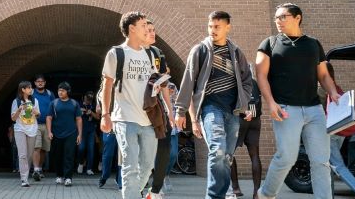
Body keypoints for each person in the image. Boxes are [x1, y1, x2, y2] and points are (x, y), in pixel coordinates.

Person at [256, 3, 340, 199]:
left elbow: (324, 76)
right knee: (286, 157)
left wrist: (333, 93)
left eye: (283, 17)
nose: (278, 21)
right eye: (276, 17)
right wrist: (271, 103)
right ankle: (266, 193)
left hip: (314, 110)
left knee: (321, 161)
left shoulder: (313, 44)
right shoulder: (269, 43)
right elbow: (260, 75)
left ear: (297, 17)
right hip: (286, 109)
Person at [175, 11, 253, 199]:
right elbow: (188, 82)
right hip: (210, 109)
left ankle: (222, 193)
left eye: (217, 26)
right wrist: (181, 111)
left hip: (232, 110)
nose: (213, 30)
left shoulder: (235, 52)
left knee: (226, 157)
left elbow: (247, 80)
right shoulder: (200, 50)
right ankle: (213, 196)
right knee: (217, 149)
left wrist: (245, 101)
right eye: (210, 26)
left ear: (227, 27)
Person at [100, 11, 158, 199]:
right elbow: (107, 85)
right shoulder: (116, 53)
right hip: (124, 119)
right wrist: (105, 115)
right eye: (143, 25)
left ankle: (134, 194)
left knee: (148, 165)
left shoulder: (150, 54)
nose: (146, 29)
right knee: (130, 166)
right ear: (132, 29)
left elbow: (151, 84)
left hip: (148, 119)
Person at [318, 62, 355, 199]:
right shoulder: (336, 88)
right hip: (340, 131)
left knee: (338, 166)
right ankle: (328, 195)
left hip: (328, 133)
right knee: (328, 164)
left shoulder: (320, 91)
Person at [144, 20, 177, 199]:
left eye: (154, 30)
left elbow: (164, 83)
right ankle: (140, 188)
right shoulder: (132, 52)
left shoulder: (158, 53)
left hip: (158, 109)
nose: (152, 33)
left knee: (165, 148)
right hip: (139, 110)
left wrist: (170, 111)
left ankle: (155, 190)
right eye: (148, 30)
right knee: (144, 153)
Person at [229, 78, 263, 199]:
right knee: (255, 156)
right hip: (255, 120)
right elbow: (259, 99)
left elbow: (232, 100)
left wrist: (244, 112)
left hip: (239, 119)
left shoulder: (235, 80)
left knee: (230, 153)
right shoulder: (254, 82)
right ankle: (256, 193)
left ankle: (235, 188)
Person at [47, 81, 82, 187]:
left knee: (69, 155)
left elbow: (79, 119)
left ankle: (68, 178)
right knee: (57, 155)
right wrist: (49, 131)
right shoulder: (54, 103)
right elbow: (49, 117)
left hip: (71, 133)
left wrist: (80, 134)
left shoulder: (74, 103)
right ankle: (59, 176)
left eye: (62, 90)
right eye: (59, 90)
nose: (60, 92)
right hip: (56, 133)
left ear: (67, 91)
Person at [11, 80, 40, 187]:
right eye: (29, 88)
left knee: (29, 155)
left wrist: (33, 110)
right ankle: (24, 178)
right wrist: (19, 110)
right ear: (23, 89)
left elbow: (38, 114)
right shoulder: (16, 101)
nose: (31, 89)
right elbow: (13, 118)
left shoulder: (34, 100)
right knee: (22, 154)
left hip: (32, 129)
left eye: (31, 87)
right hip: (20, 129)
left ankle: (25, 174)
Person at [31, 74, 55, 181]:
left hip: (47, 125)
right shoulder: (31, 93)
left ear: (45, 83)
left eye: (42, 81)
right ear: (35, 83)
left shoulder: (50, 94)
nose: (40, 83)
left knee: (44, 149)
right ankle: (35, 169)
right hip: (34, 124)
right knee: (37, 147)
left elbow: (54, 107)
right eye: (38, 81)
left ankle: (40, 169)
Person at [96, 95, 122, 190]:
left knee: (122, 155)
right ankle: (104, 176)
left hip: (122, 125)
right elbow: (98, 110)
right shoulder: (101, 91)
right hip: (109, 126)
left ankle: (121, 181)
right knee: (108, 155)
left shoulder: (124, 87)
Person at [77, 91, 99, 175]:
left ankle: (89, 168)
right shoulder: (78, 104)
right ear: (84, 97)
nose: (88, 101)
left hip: (91, 130)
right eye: (87, 99)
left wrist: (91, 113)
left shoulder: (94, 105)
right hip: (81, 130)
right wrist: (80, 112)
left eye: (90, 100)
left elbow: (98, 117)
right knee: (81, 148)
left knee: (91, 149)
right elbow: (73, 116)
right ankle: (81, 163)